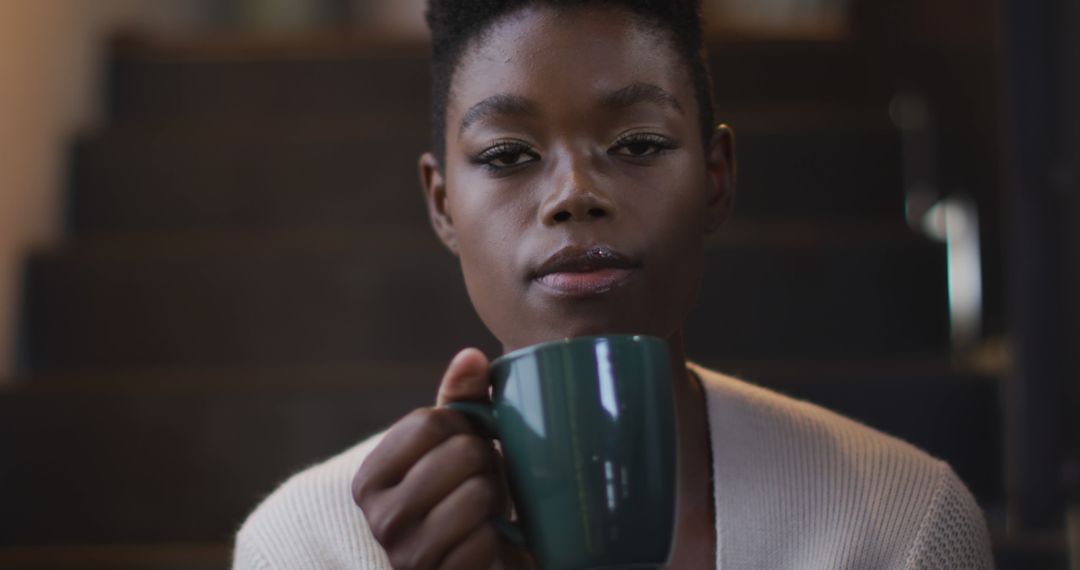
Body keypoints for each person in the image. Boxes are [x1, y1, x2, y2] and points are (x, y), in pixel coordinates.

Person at [233, 1, 994, 568]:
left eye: (637, 143)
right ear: (442, 206)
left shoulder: (904, 525)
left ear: (716, 180)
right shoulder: (306, 544)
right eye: (505, 155)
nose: (574, 194)